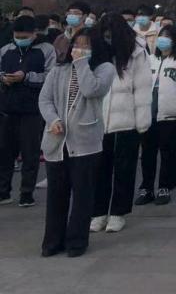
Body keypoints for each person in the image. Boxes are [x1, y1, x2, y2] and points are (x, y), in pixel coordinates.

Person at [38, 25, 115, 257]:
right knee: (56, 195)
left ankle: (77, 241)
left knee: (82, 194)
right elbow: (44, 99)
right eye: (77, 45)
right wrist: (53, 120)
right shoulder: (58, 70)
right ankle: (53, 241)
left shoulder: (104, 69)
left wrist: (81, 63)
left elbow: (91, 90)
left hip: (85, 142)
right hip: (57, 141)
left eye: (86, 45)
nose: (80, 49)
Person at [91, 15, 150, 233]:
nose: (108, 39)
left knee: (124, 169)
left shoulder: (137, 53)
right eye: (105, 35)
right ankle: (98, 212)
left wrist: (142, 122)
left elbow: (143, 88)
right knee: (99, 169)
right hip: (98, 119)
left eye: (111, 35)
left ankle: (118, 212)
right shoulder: (97, 52)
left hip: (127, 120)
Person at [0, 14, 55, 207]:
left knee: (30, 152)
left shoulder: (46, 50)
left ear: (34, 34)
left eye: (24, 37)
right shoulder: (6, 50)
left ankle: (26, 193)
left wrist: (26, 77)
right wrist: (3, 78)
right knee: (5, 152)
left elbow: (50, 76)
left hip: (33, 109)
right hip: (8, 108)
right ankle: (3, 191)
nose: (20, 39)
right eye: (17, 36)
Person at [137, 24, 176, 207]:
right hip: (148, 114)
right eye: (162, 35)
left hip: (170, 116)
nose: (163, 39)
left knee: (168, 154)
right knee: (147, 154)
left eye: (168, 36)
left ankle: (164, 187)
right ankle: (146, 188)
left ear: (175, 40)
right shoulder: (149, 60)